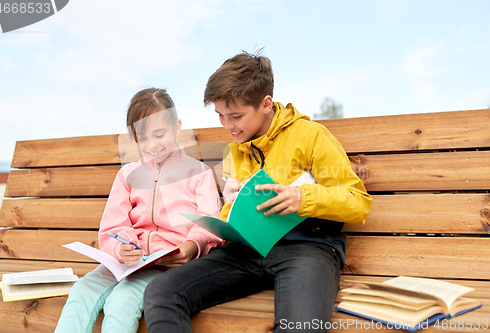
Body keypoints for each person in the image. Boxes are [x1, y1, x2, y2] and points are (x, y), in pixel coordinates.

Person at [143, 51, 373, 333]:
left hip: (308, 249)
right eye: (220, 116)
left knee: (300, 326)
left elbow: (358, 202)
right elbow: (234, 215)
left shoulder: (311, 136)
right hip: (245, 251)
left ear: (266, 104)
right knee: (162, 292)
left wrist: (303, 198)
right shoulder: (234, 152)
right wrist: (228, 206)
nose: (228, 126)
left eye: (236, 116)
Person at [55, 88, 222, 333]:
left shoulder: (199, 173)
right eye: (142, 138)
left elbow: (208, 225)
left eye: (159, 134)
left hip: (168, 263)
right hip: (129, 260)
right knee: (82, 290)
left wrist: (192, 246)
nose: (151, 145)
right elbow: (114, 225)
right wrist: (122, 247)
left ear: (177, 128)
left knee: (121, 301)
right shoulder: (127, 175)